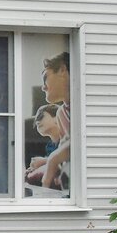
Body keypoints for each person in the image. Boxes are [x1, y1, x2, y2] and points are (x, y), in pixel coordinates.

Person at [29, 52, 71, 192]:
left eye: (45, 77)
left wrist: (52, 160)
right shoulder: (62, 113)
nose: (43, 87)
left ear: (62, 70)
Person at [25, 104, 69, 190]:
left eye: (41, 116)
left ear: (56, 117)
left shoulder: (66, 140)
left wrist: (44, 161)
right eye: (36, 121)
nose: (37, 122)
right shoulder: (50, 146)